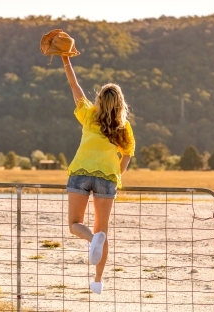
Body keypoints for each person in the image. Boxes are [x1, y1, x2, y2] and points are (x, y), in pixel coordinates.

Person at [61, 55, 135, 294]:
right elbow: (127, 154)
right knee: (103, 230)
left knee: (75, 224)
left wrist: (65, 59)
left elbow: (75, 86)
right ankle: (98, 281)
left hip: (81, 171)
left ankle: (91, 239)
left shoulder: (90, 115)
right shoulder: (123, 127)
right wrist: (117, 174)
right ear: (120, 103)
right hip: (107, 178)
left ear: (100, 100)